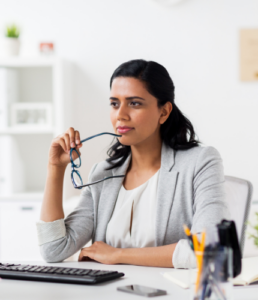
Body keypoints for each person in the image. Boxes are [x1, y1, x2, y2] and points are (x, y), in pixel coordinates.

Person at [37, 59, 230, 268]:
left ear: (163, 112)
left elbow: (210, 249)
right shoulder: (102, 174)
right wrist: (55, 168)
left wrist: (118, 255)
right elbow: (53, 250)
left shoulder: (200, 162)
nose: (120, 115)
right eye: (114, 104)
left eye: (134, 103)